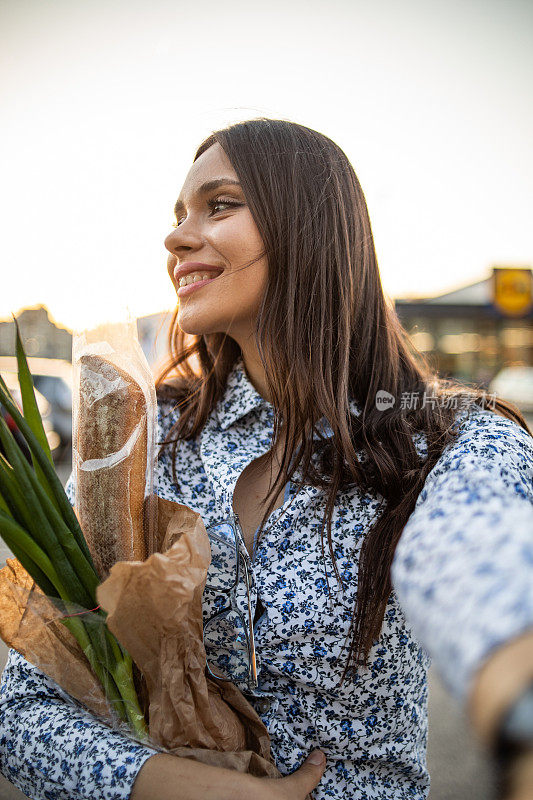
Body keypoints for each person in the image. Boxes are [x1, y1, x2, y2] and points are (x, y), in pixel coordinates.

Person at [1, 117, 532, 800]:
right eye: (178, 213)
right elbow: (22, 712)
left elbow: (477, 562)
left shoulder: (446, 437)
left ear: (307, 227)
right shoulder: (146, 437)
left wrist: (517, 698)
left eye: (219, 205)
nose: (175, 236)